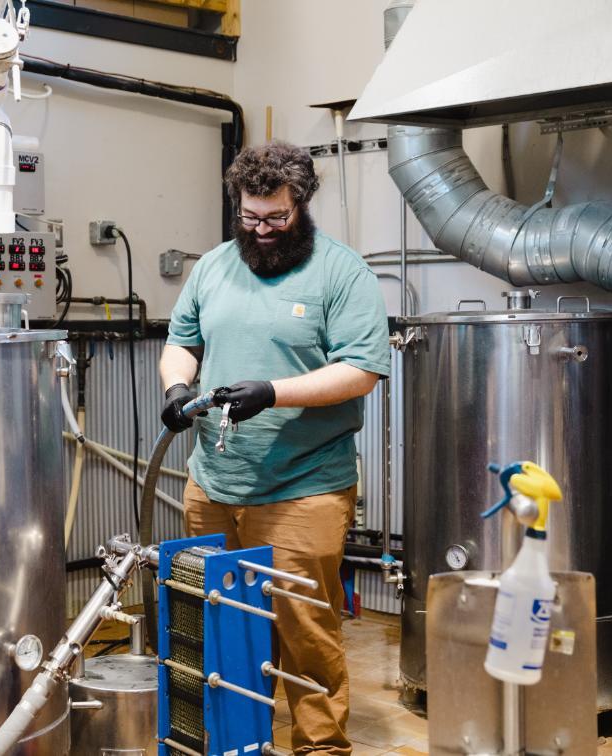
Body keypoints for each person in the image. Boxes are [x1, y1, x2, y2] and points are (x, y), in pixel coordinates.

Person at [159, 140, 390, 755]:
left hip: (303, 486)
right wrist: (177, 385)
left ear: (301, 204)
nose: (261, 230)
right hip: (214, 482)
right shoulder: (212, 267)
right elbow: (182, 341)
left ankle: (320, 747)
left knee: (303, 627)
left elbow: (361, 370)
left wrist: (273, 393)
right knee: (218, 622)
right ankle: (235, 741)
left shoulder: (342, 272)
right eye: (250, 217)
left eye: (276, 218)